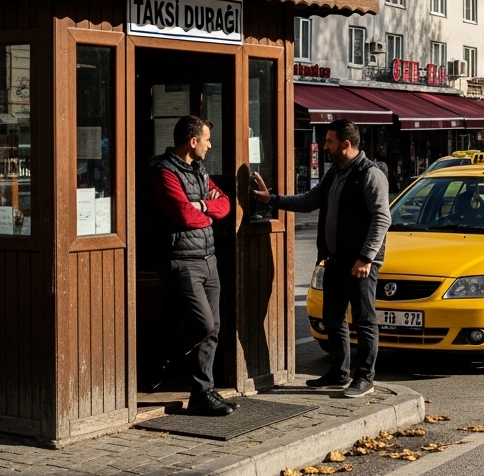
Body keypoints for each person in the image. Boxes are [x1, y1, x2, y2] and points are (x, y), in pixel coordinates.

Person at [253, 119, 390, 399]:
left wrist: (366, 258)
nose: (325, 147)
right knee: (333, 317)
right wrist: (272, 200)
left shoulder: (370, 174)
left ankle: (365, 377)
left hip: (360, 264)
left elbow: (382, 218)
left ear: (346, 144)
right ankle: (338, 373)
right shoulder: (335, 173)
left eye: (329, 141)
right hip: (335, 259)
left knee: (364, 319)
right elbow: (309, 200)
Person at [148, 116, 234, 416]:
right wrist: (203, 211)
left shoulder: (199, 169)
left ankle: (202, 393)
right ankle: (160, 363)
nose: (210, 145)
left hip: (208, 259)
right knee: (203, 324)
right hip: (182, 262)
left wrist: (202, 205)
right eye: (207, 139)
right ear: (192, 141)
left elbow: (225, 204)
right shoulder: (164, 172)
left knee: (214, 329)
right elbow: (183, 216)